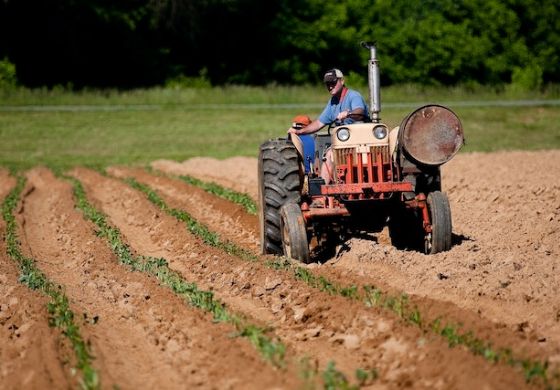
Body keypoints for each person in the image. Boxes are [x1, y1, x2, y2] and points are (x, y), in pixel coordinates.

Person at [288, 68, 369, 183]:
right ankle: (323, 194)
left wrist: (348, 114)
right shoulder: (333, 102)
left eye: (333, 83)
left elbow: (360, 112)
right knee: (329, 155)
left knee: (331, 154)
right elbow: (319, 123)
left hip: (362, 140)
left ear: (342, 81)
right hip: (343, 143)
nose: (330, 86)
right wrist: (299, 131)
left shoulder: (353, 96)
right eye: (328, 84)